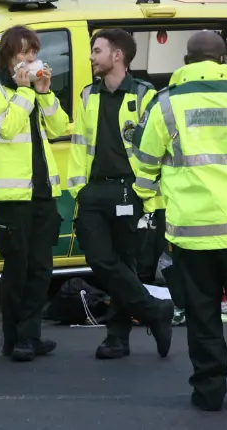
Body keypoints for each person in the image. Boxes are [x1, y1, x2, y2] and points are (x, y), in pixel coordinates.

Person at [133, 30, 227, 412]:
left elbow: (143, 163)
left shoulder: (163, 104)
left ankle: (208, 393)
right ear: (224, 60)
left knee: (202, 318)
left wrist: (158, 197)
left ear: (186, 63)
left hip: (191, 235)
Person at [66, 28, 173, 360]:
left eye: (96, 51)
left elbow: (159, 148)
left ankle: (117, 338)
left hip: (131, 190)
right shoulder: (88, 95)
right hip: (95, 189)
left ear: (117, 56)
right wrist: (78, 189)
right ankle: (154, 310)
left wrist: (150, 196)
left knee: (125, 263)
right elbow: (79, 145)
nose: (91, 57)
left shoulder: (144, 95)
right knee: (101, 260)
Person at [0, 25, 65, 362]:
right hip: (13, 197)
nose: (29, 59)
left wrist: (44, 92)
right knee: (17, 270)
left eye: (33, 53)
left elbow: (58, 128)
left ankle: (31, 334)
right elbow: (7, 126)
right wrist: (25, 91)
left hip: (43, 191)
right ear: (8, 55)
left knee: (42, 269)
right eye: (23, 53)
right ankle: (14, 339)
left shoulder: (33, 92)